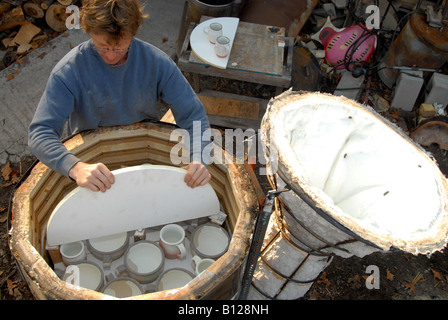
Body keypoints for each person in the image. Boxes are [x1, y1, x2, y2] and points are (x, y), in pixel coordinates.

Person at [28, 0, 212, 192]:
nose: (110, 56)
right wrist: (74, 167)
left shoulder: (156, 63)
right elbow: (40, 133)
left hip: (143, 151)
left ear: (132, 34)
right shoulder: (69, 71)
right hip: (90, 163)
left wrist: (199, 157)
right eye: (102, 46)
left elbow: (193, 115)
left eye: (119, 47)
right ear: (89, 31)